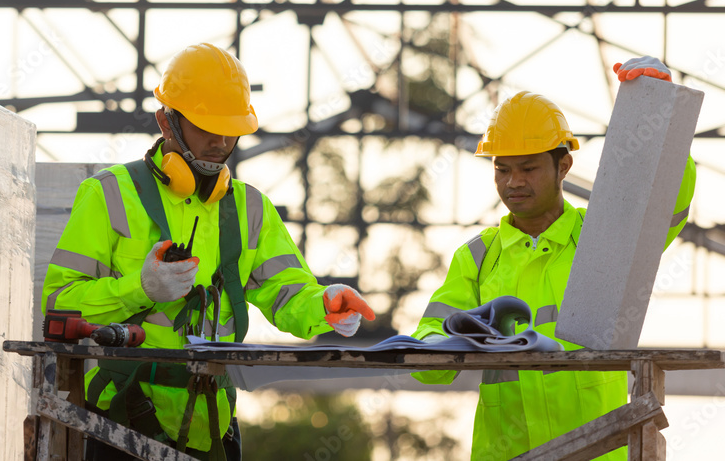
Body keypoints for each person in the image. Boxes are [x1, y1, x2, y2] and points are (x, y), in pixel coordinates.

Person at [42, 42, 375, 461]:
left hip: (212, 429)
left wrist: (324, 304)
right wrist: (140, 288)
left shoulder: (251, 209)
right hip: (119, 424)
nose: (220, 141)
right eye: (206, 127)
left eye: (230, 129)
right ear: (167, 121)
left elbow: (287, 292)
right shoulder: (108, 195)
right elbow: (57, 306)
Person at [412, 56, 697, 461]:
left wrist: (660, 113)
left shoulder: (599, 236)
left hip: (602, 451)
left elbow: (665, 206)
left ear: (563, 165)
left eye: (528, 168)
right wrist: (442, 341)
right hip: (508, 451)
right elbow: (427, 361)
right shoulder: (477, 256)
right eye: (502, 169)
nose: (514, 182)